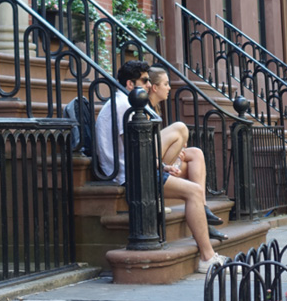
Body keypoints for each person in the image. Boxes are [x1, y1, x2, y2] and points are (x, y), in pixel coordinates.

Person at [95, 60, 226, 273]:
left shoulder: (125, 102)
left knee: (193, 154)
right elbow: (134, 149)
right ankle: (207, 256)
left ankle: (202, 219)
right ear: (130, 84)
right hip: (131, 176)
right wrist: (161, 165)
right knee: (192, 184)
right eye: (144, 81)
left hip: (136, 169)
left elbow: (135, 148)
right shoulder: (123, 105)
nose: (149, 85)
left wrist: (161, 167)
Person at [147, 66, 229, 244]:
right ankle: (202, 216)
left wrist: (176, 155)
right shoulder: (142, 110)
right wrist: (172, 158)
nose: (169, 88)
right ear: (154, 88)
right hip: (147, 168)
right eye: (166, 84)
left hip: (158, 163)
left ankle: (204, 209)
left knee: (196, 153)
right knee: (180, 129)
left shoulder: (155, 109)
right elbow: (146, 151)